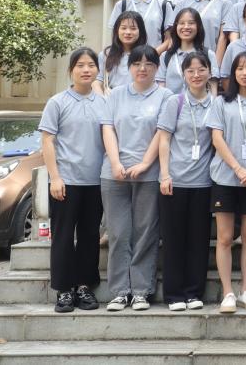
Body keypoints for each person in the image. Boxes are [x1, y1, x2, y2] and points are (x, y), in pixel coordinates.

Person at [100, 45, 173, 312]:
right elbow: (108, 129)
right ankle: (120, 291)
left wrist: (144, 164)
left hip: (149, 174)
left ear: (157, 68)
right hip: (114, 174)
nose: (143, 68)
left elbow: (162, 133)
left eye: (149, 64)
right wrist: (115, 162)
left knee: (145, 233)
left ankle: (141, 291)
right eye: (137, 64)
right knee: (119, 233)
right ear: (129, 67)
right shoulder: (115, 95)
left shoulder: (166, 96)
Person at [40, 47, 109, 313]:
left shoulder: (103, 103)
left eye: (91, 65)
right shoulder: (57, 102)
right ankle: (64, 290)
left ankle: (84, 286)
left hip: (95, 182)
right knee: (63, 236)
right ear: (71, 70)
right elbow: (47, 141)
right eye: (80, 65)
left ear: (97, 70)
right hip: (65, 181)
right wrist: (55, 177)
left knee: (90, 236)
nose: (86, 70)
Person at [207, 50, 246, 313]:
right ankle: (228, 293)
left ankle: (245, 290)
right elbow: (217, 138)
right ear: (233, 73)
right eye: (240, 68)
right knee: (224, 237)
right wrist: (237, 168)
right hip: (225, 176)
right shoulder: (221, 102)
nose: (245, 73)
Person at [156, 51, 215, 311]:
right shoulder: (175, 102)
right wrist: (164, 174)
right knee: (173, 240)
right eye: (190, 71)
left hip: (204, 182)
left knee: (198, 241)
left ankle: (193, 292)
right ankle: (174, 294)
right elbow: (164, 139)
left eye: (201, 69)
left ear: (210, 72)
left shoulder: (216, 104)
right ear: (183, 74)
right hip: (175, 181)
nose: (196, 75)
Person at [157, 8, 219, 94]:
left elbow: (213, 89)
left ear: (198, 26)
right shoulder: (166, 56)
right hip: (172, 102)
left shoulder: (208, 55)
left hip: (199, 102)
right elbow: (161, 88)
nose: (186, 27)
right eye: (182, 23)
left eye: (191, 23)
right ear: (176, 26)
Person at [95, 12, 148, 94]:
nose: (128, 32)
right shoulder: (106, 54)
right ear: (117, 30)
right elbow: (97, 81)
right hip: (111, 99)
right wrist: (102, 98)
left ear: (140, 31)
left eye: (133, 28)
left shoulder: (147, 55)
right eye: (123, 28)